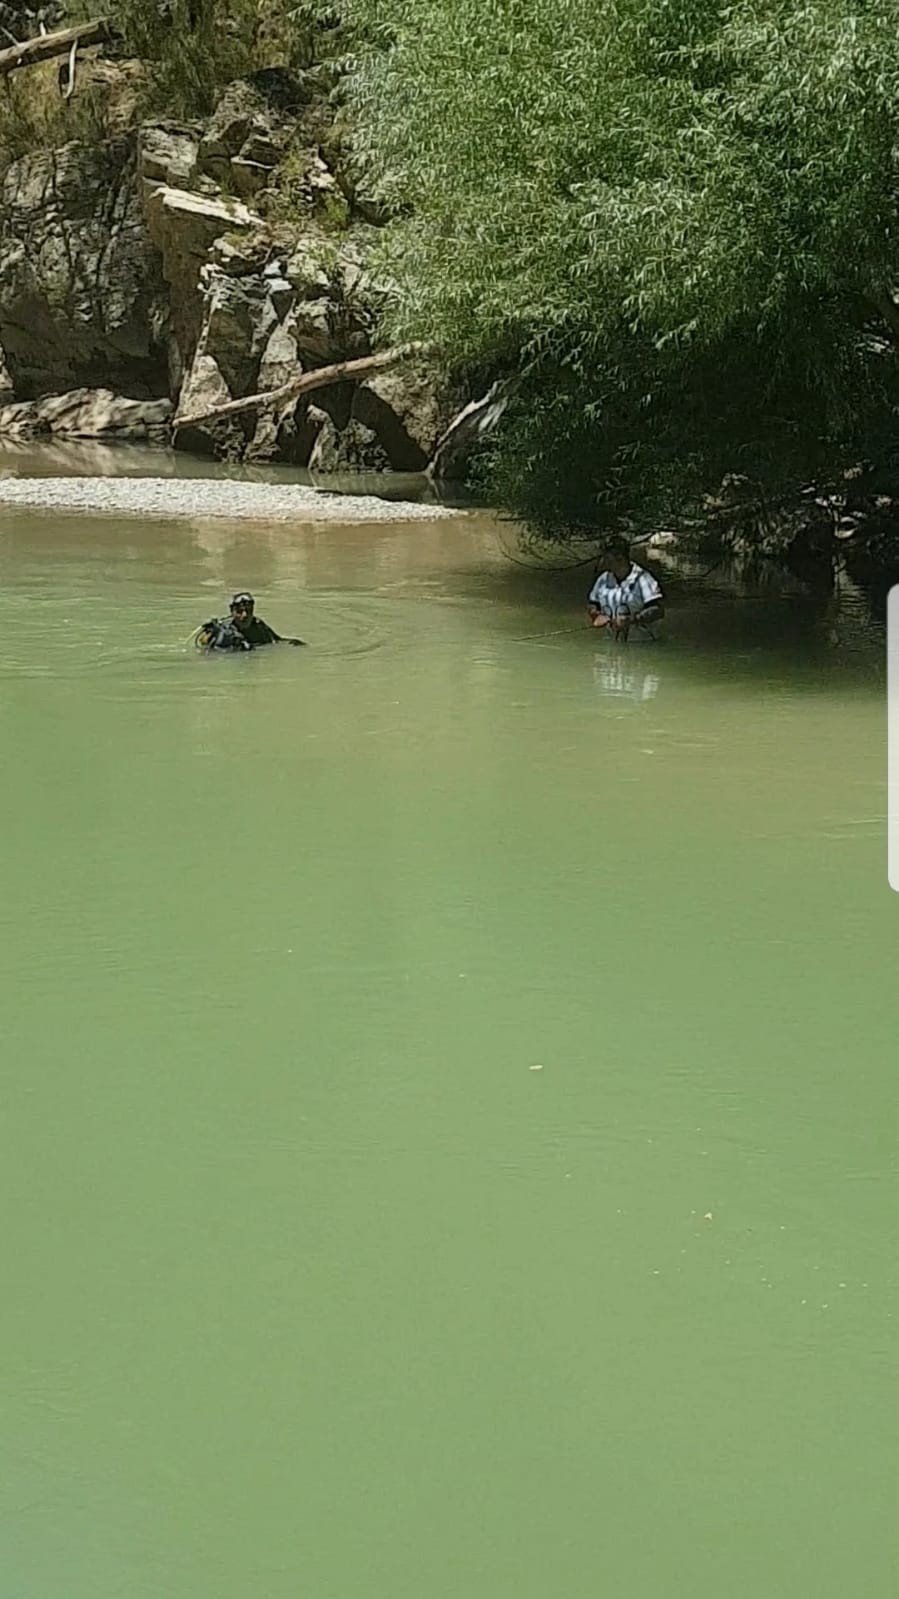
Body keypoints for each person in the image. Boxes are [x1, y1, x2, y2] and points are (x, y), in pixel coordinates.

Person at [587, 539, 665, 640]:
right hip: (610, 643)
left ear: (620, 558)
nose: (603, 562)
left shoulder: (643, 579)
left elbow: (658, 611)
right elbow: (592, 603)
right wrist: (595, 614)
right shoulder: (603, 579)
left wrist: (631, 619)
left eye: (607, 558)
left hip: (641, 644)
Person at [196, 592, 305, 651]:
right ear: (232, 611)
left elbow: (276, 641)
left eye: (248, 611)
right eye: (239, 611)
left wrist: (294, 642)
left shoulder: (258, 625)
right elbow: (207, 654)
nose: (245, 615)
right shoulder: (224, 630)